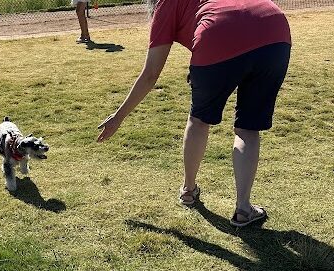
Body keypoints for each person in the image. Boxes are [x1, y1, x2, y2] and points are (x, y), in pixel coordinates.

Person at [97, 0, 291, 227]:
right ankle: (244, 209)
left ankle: (188, 191)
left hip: (219, 34)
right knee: (248, 129)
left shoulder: (166, 4)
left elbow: (151, 73)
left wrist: (118, 116)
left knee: (198, 121)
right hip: (274, 30)